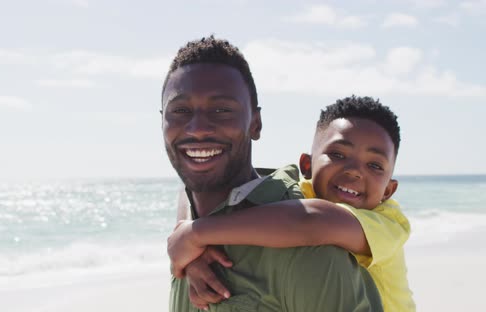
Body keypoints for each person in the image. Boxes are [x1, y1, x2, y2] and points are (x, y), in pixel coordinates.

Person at [161, 36, 383, 311]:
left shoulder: (308, 251)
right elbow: (188, 194)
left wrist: (195, 235)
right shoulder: (185, 246)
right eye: (180, 110)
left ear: (256, 123)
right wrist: (191, 234)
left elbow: (309, 223)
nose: (197, 128)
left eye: (222, 110)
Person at [168, 96, 415, 311]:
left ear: (388, 190)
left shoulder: (389, 223)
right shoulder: (299, 193)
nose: (355, 172)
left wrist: (197, 234)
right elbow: (196, 189)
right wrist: (191, 252)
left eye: (374, 165)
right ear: (307, 165)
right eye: (338, 155)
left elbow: (311, 221)